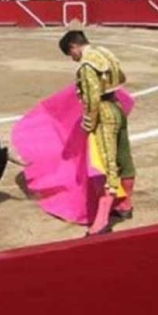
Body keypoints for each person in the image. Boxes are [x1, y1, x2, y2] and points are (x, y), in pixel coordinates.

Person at [58, 30, 136, 236]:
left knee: (106, 164)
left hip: (103, 114)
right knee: (124, 158)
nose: (72, 58)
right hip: (117, 107)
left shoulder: (86, 66)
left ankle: (101, 222)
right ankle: (126, 205)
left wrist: (89, 123)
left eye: (70, 53)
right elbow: (121, 77)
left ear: (74, 46)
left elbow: (92, 99)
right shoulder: (105, 53)